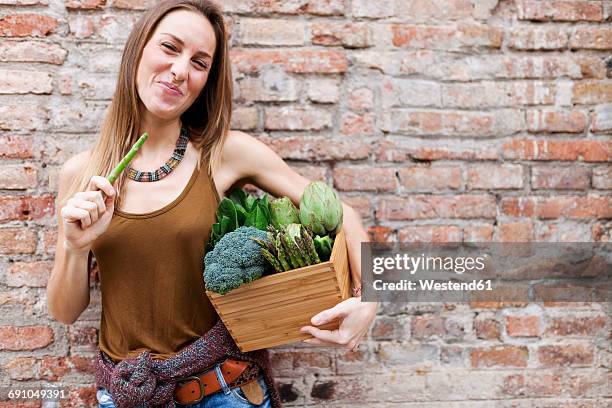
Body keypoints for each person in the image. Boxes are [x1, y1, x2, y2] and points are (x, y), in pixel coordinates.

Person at [46, 0, 377, 406]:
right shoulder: (81, 175)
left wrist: (372, 297)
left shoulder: (226, 154)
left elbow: (345, 215)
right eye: (169, 47)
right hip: (126, 395)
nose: (181, 70)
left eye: (199, 62)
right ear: (138, 49)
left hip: (225, 392)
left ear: (207, 80)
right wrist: (73, 248)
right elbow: (64, 311)